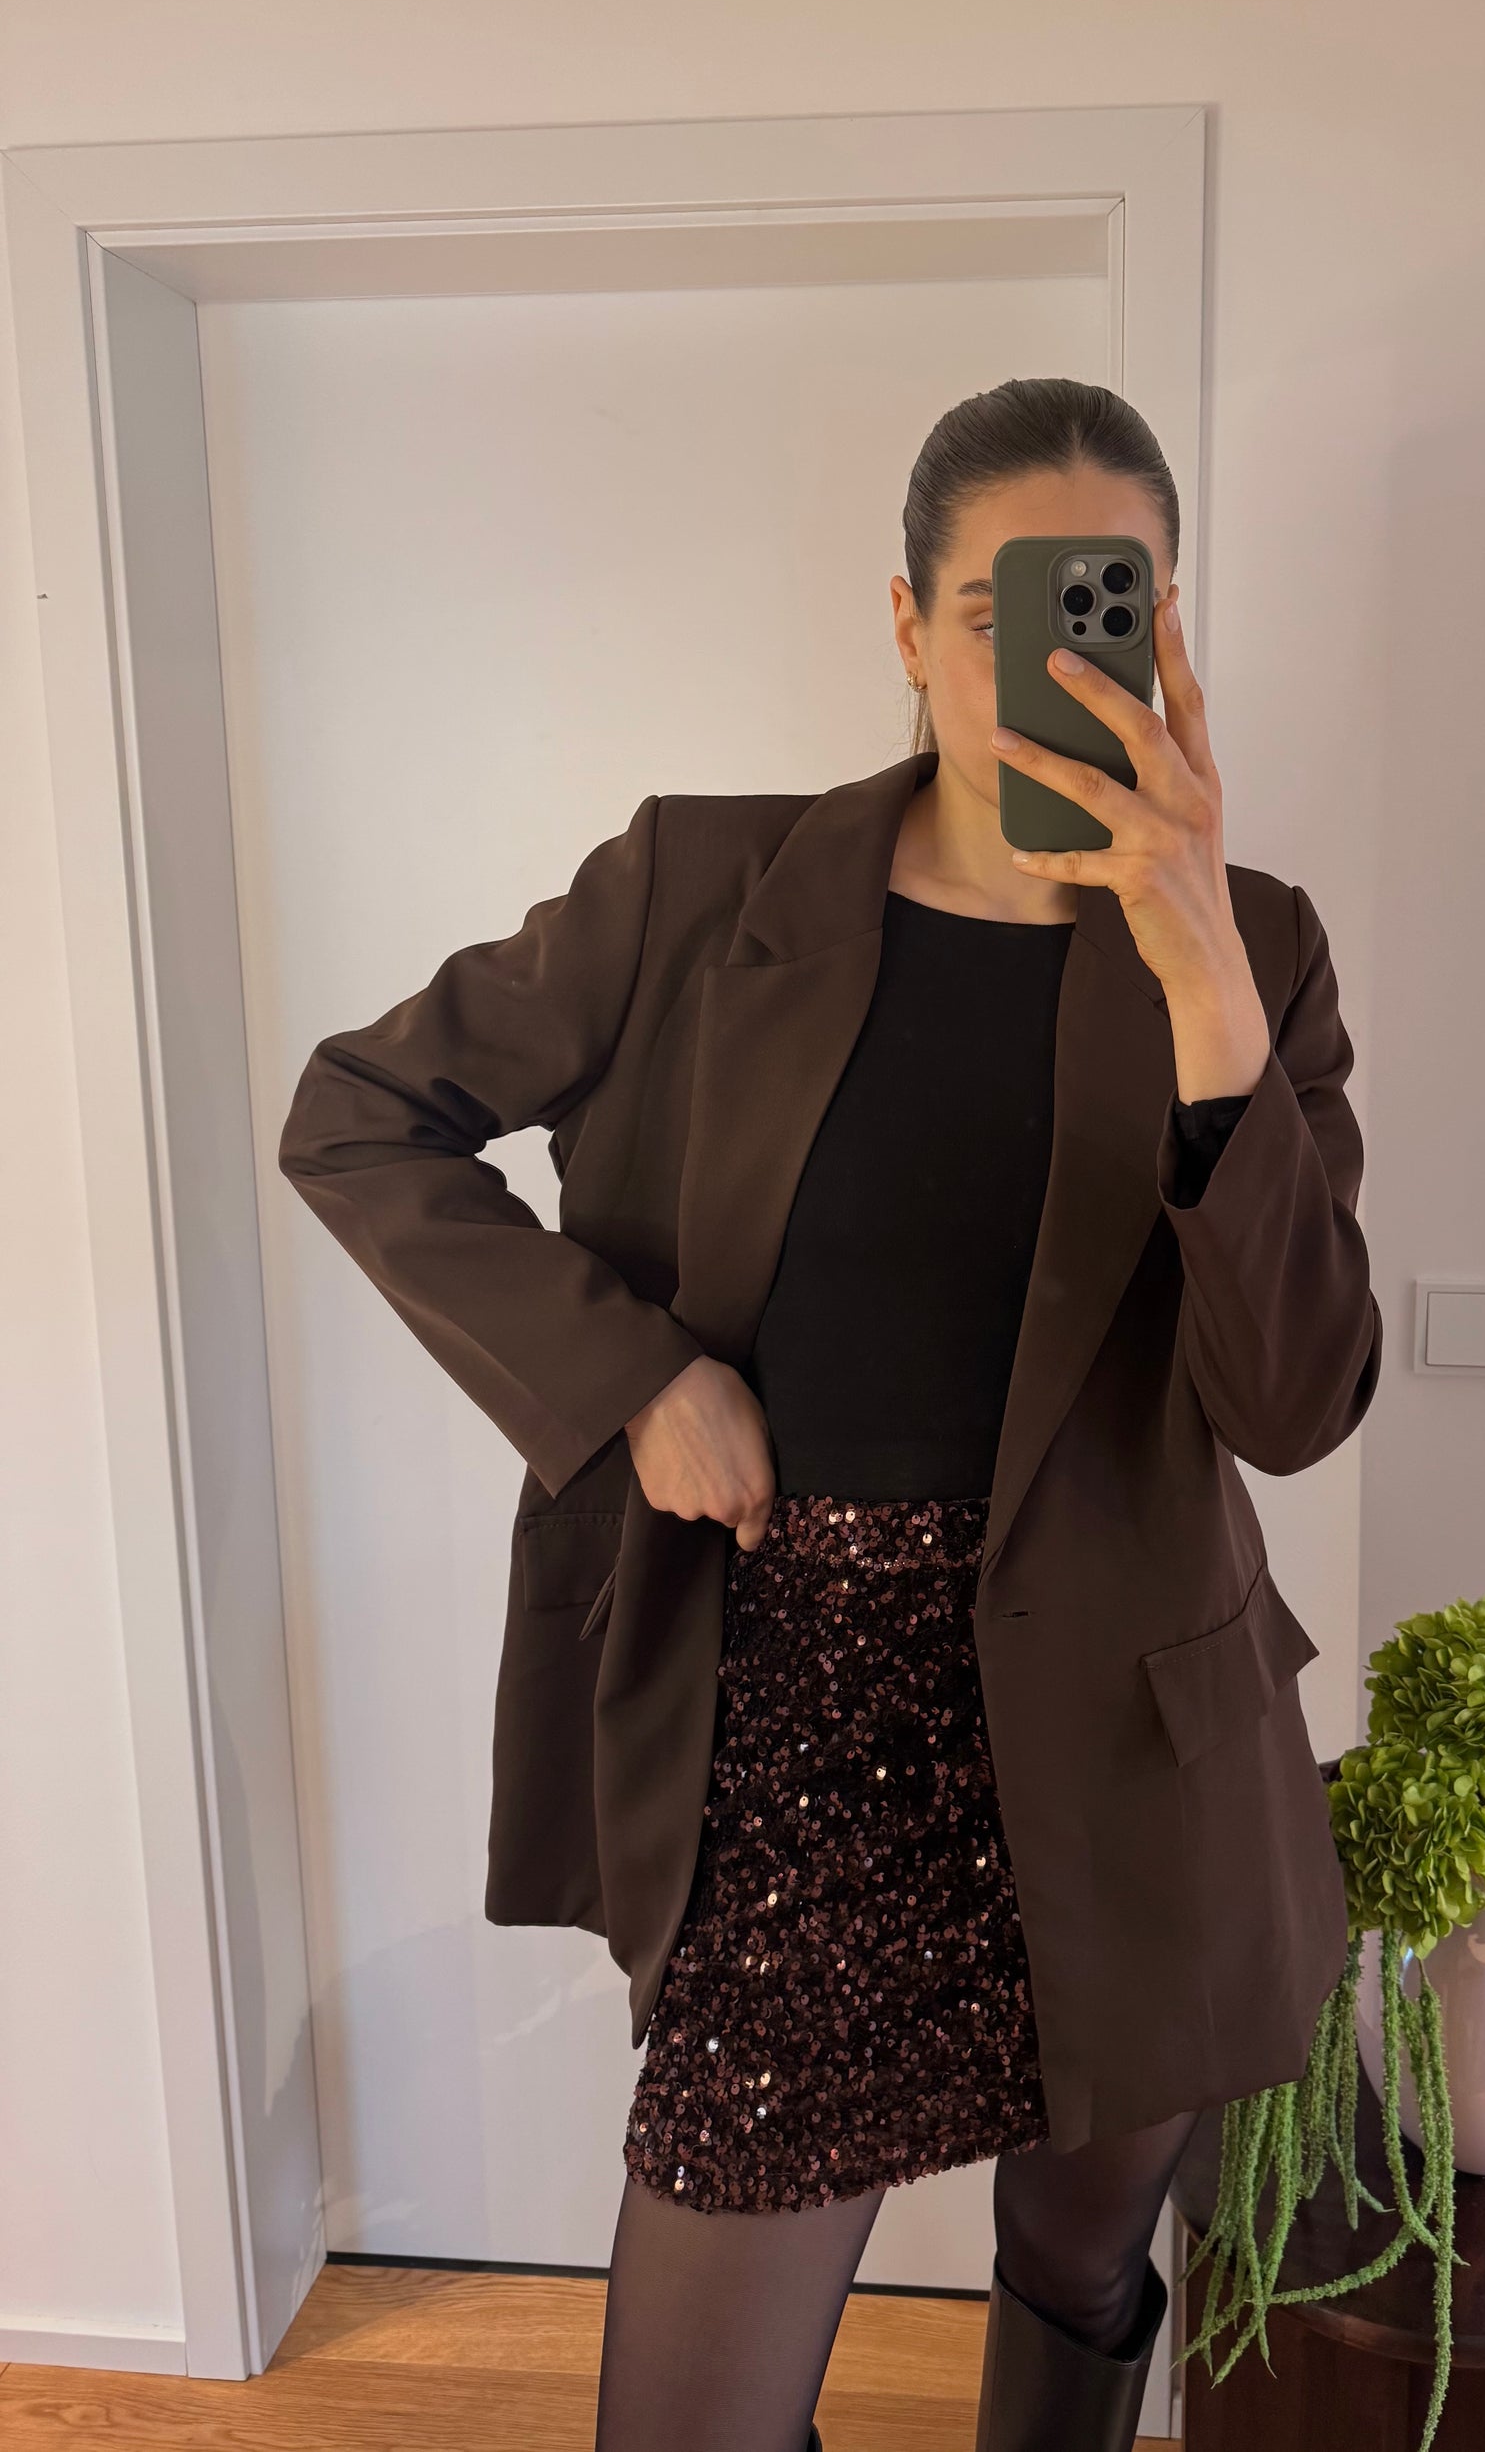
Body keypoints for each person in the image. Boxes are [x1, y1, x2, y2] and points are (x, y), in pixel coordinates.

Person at [278, 376, 1381, 2452]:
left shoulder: (1258, 951)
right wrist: (631, 1378)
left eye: (1109, 604)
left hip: (1129, 1745)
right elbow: (358, 1114)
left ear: (1165, 624)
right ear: (906, 624)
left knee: (1076, 2270)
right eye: (995, 610)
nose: (1055, 663)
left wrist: (1204, 985)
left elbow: (1295, 1400)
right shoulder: (698, 889)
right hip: (791, 1741)